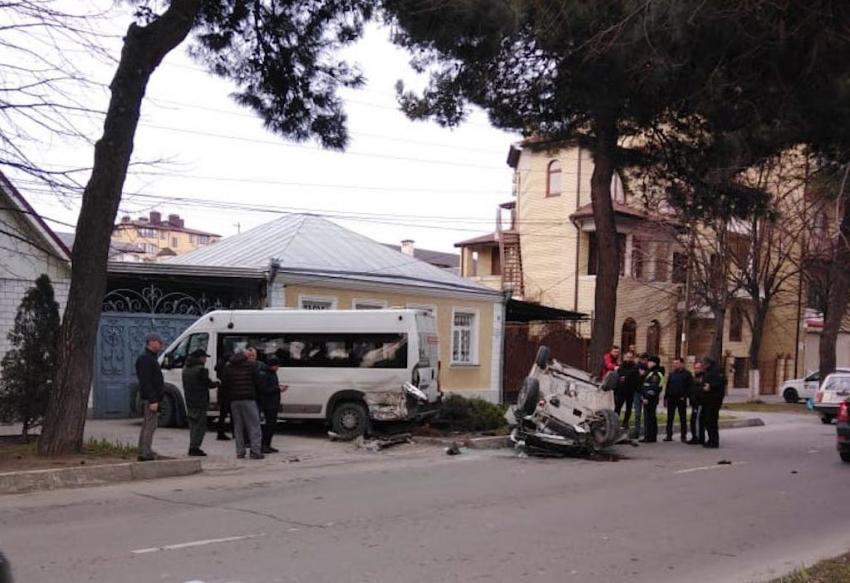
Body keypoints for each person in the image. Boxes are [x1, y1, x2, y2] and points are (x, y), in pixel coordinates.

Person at [222, 349, 265, 459]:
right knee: (254, 425)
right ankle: (255, 451)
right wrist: (260, 398)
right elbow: (258, 383)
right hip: (249, 399)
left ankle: (240, 451)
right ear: (245, 357)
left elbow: (225, 385)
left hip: (234, 400)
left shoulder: (229, 367)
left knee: (238, 426)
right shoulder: (251, 366)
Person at [183, 348, 218, 456]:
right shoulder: (201, 370)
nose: (205, 360)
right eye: (204, 358)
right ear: (199, 358)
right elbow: (208, 383)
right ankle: (195, 447)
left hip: (190, 400)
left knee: (193, 424)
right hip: (200, 400)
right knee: (200, 426)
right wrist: (217, 383)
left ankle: (192, 445)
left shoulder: (186, 369)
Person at [135, 332, 164, 462]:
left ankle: (144, 449)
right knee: (150, 425)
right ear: (151, 342)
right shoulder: (146, 359)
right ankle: (145, 452)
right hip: (150, 398)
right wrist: (153, 399)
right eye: (158, 341)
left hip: (152, 397)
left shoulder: (150, 358)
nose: (161, 344)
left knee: (148, 423)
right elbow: (146, 381)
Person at [699, 356, 727, 448]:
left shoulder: (717, 370)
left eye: (703, 365)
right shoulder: (707, 371)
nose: (702, 367)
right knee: (706, 420)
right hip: (707, 399)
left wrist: (711, 386)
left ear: (708, 363)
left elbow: (722, 382)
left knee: (712, 420)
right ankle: (710, 439)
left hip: (715, 399)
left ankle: (714, 441)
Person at [258, 356, 284, 454]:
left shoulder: (272, 373)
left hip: (273, 402)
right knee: (269, 425)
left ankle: (268, 444)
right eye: (277, 365)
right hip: (268, 403)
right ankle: (264, 445)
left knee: (272, 425)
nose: (278, 368)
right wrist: (278, 389)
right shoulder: (265, 374)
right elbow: (264, 389)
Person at [664, 357, 692, 442]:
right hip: (671, 398)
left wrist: (685, 396)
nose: (675, 365)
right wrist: (666, 398)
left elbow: (690, 387)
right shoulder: (672, 374)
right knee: (670, 418)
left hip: (681, 398)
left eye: (677, 363)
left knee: (682, 418)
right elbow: (668, 386)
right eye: (674, 363)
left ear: (682, 364)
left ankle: (683, 436)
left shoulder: (687, 374)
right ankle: (669, 435)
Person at [614, 350, 642, 432]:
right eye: (627, 357)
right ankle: (615, 422)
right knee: (618, 407)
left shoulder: (635, 367)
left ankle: (625, 423)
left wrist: (625, 378)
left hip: (630, 390)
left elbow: (634, 375)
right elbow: (619, 372)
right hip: (621, 390)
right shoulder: (622, 365)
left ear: (633, 358)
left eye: (630, 357)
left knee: (628, 408)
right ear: (624, 357)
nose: (628, 359)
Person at [639, 355, 664, 443]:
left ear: (654, 363)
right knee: (650, 417)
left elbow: (653, 387)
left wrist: (646, 397)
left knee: (649, 417)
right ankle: (650, 436)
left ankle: (649, 436)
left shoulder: (655, 373)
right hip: (650, 397)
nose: (648, 363)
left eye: (649, 362)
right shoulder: (651, 372)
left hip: (650, 398)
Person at [630, 353, 649, 439]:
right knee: (637, 414)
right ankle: (636, 432)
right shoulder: (636, 368)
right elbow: (633, 380)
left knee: (646, 414)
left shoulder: (649, 370)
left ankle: (646, 432)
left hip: (645, 393)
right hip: (637, 393)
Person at [215, 351, 233, 440]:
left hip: (223, 393)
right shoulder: (227, 367)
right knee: (233, 414)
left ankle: (220, 432)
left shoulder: (220, 366)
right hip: (228, 394)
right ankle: (234, 432)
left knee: (223, 414)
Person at [688, 360, 705, 445]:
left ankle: (699, 437)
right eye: (695, 368)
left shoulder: (703, 378)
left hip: (700, 402)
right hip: (694, 402)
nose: (696, 370)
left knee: (698, 421)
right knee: (693, 420)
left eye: (698, 368)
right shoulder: (694, 378)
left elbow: (701, 391)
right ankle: (694, 436)